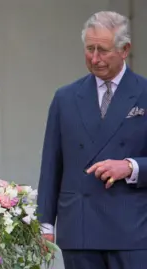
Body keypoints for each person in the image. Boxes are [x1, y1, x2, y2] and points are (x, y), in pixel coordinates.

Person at [37, 10, 147, 269]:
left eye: (103, 50)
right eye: (89, 49)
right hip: (79, 229)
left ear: (125, 49)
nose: (95, 58)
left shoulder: (144, 93)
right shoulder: (65, 98)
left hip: (132, 231)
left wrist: (131, 166)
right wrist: (44, 225)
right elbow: (51, 165)